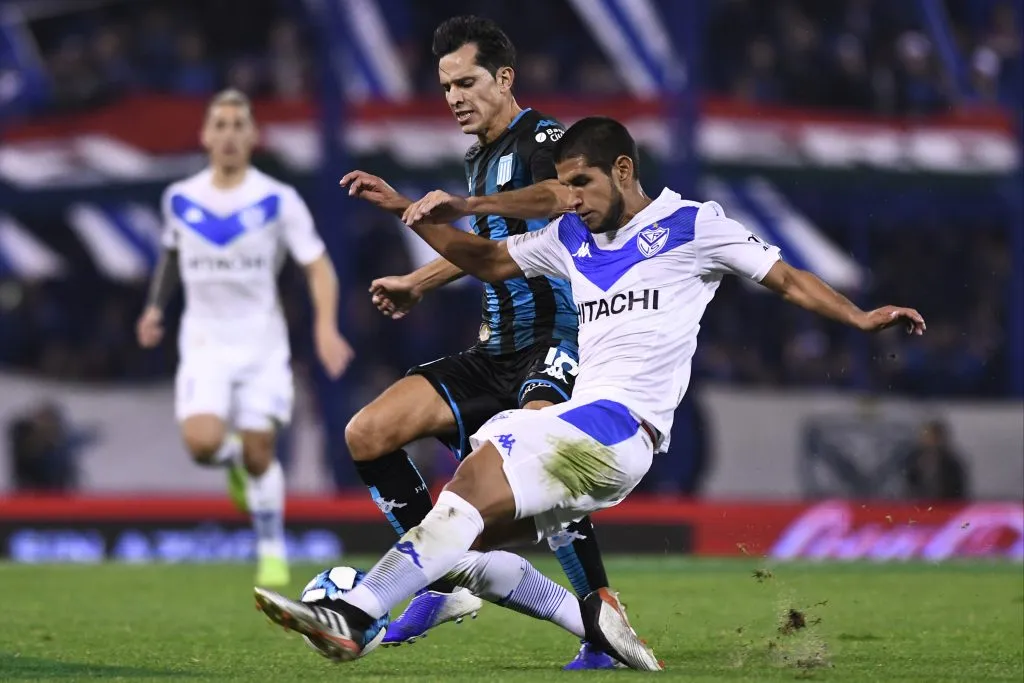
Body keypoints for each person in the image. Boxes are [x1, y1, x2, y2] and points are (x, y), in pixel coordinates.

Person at [255, 116, 926, 669]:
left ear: (623, 171)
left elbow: (786, 278)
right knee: (464, 546)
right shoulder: (570, 237)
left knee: (470, 484)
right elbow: (488, 260)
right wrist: (410, 211)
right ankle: (595, 621)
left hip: (621, 424)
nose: (571, 199)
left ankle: (354, 615)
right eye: (565, 185)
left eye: (581, 183)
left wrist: (861, 318)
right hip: (593, 434)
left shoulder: (693, 225)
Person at [339, 16, 617, 668]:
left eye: (466, 82)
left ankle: (603, 621)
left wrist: (461, 209)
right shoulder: (479, 158)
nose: (455, 97)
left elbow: (562, 195)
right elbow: (492, 252)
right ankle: (442, 582)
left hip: (554, 340)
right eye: (446, 87)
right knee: (367, 432)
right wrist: (418, 281)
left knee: (549, 463)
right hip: (493, 351)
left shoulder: (545, 138)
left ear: (505, 78)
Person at [136, 89, 353, 587]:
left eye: (239, 125)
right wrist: (154, 308)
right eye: (221, 125)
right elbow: (171, 254)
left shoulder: (278, 199)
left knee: (262, 452)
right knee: (201, 445)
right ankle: (229, 458)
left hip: (261, 344)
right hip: (204, 342)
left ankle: (271, 549)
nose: (230, 135)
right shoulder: (180, 198)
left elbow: (317, 265)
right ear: (205, 135)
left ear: (253, 136)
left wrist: (325, 326)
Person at [904, 419, 969, 500]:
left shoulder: (951, 462)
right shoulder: (913, 460)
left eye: (933, 436)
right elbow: (908, 485)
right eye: (927, 436)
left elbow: (958, 489)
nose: (929, 440)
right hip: (918, 504)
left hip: (945, 504)